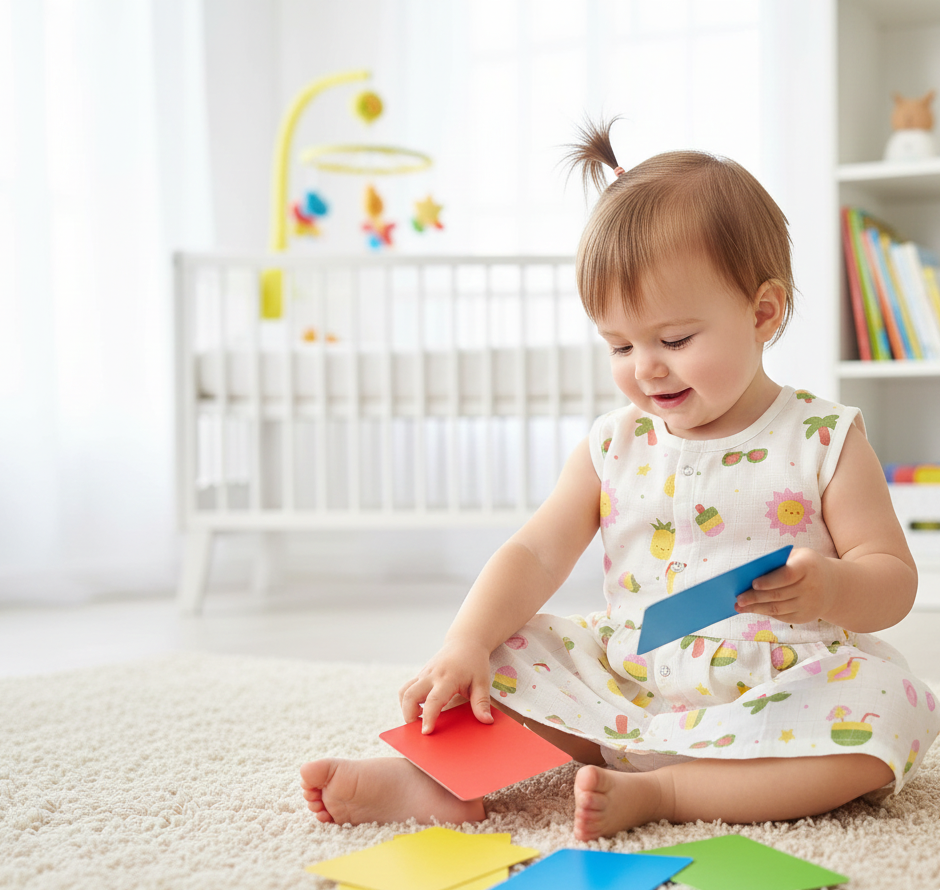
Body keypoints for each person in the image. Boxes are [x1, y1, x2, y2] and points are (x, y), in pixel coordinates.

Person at [301, 119, 939, 840]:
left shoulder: (824, 437)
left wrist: (829, 587)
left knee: (894, 702)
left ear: (763, 313)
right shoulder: (615, 442)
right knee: (511, 646)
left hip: (772, 693)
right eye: (619, 344)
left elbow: (893, 578)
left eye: (674, 340)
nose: (646, 367)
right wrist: (467, 641)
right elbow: (536, 553)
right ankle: (434, 779)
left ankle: (666, 792)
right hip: (627, 678)